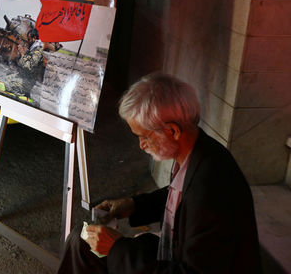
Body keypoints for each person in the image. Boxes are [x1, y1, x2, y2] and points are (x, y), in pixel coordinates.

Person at [58, 72, 262, 274]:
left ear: (172, 131)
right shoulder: (198, 152)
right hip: (177, 251)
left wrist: (117, 249)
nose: (141, 145)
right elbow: (179, 198)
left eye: (143, 136)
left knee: (91, 249)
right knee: (81, 241)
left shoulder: (212, 188)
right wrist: (134, 205)